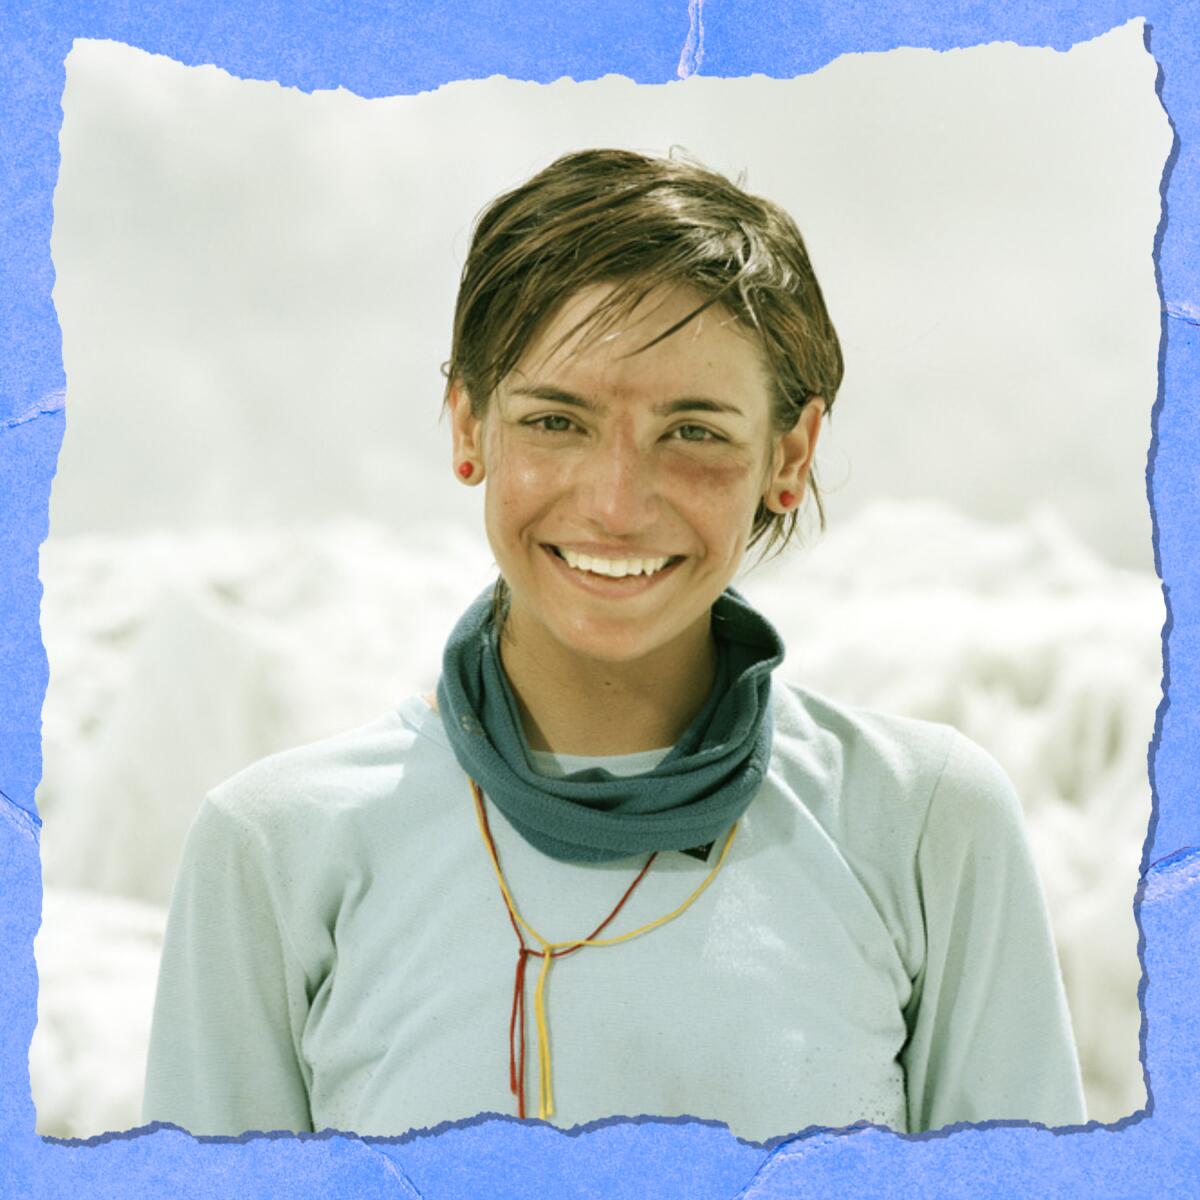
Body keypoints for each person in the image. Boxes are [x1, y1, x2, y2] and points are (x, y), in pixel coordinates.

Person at [142, 148, 1086, 1140]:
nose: (618, 503)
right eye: (556, 419)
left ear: (790, 456)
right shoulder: (277, 848)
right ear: (467, 424)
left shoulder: (924, 824)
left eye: (694, 432)